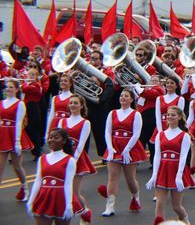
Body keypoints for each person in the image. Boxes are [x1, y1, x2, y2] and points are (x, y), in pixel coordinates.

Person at [102, 89, 148, 216]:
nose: (123, 98)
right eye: (121, 96)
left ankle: (135, 197)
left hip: (130, 147)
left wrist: (127, 149)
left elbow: (136, 133)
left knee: (130, 179)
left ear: (131, 99)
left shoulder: (136, 114)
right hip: (115, 146)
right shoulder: (113, 113)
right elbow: (108, 131)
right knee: (112, 177)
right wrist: (110, 147)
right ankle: (110, 206)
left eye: (126, 96)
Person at [146, 106, 194, 225]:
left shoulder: (185, 135)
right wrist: (154, 175)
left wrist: (179, 176)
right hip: (163, 169)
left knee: (176, 206)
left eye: (173, 115)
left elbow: (183, 156)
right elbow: (157, 156)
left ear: (179, 117)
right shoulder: (160, 134)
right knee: (160, 203)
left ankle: (185, 220)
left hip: (177, 169)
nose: (169, 117)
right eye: (168, 114)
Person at [26, 128, 83, 225]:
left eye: (56, 138)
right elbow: (38, 181)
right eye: (50, 137)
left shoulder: (70, 160)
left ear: (64, 141)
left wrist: (68, 205)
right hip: (44, 197)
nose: (51, 140)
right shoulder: (42, 159)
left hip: (61, 199)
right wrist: (31, 200)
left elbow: (68, 184)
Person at [58, 94, 95, 224]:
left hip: (76, 159)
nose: (72, 105)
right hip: (62, 158)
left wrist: (73, 160)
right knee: (62, 189)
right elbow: (59, 142)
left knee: (74, 192)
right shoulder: (62, 121)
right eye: (71, 103)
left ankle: (84, 211)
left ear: (81, 106)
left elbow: (81, 144)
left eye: (75, 103)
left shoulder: (85, 123)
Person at [0, 79, 34, 201]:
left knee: (17, 166)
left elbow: (19, 123)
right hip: (3, 134)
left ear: (16, 89)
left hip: (14, 134)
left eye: (10, 87)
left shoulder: (20, 104)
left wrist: (17, 142)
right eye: (6, 87)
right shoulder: (1, 103)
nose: (8, 89)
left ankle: (25, 188)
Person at [21, 68, 43, 161]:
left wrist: (21, 85)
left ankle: (37, 152)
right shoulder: (28, 84)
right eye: (29, 74)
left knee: (33, 132)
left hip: (33, 109)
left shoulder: (36, 85)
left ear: (37, 76)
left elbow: (25, 89)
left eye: (33, 75)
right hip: (26, 109)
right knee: (24, 131)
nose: (31, 76)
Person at [45, 74, 73, 140]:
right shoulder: (55, 98)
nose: (63, 82)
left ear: (70, 84)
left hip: (66, 124)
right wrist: (47, 132)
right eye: (61, 81)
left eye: (65, 81)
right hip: (55, 124)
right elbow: (51, 115)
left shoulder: (73, 97)